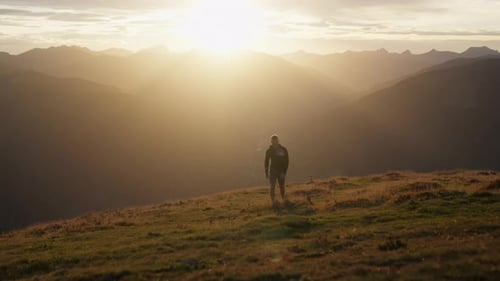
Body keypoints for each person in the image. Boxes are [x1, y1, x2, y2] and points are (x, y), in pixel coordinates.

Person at [264, 134, 289, 205]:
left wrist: (285, 171)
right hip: (273, 170)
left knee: (282, 186)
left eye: (276, 141)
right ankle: (273, 202)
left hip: (281, 170)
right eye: (273, 141)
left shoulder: (283, 149)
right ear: (271, 142)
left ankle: (283, 200)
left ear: (278, 141)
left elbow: (287, 160)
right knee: (272, 186)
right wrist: (266, 172)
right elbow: (266, 161)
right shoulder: (269, 150)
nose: (274, 142)